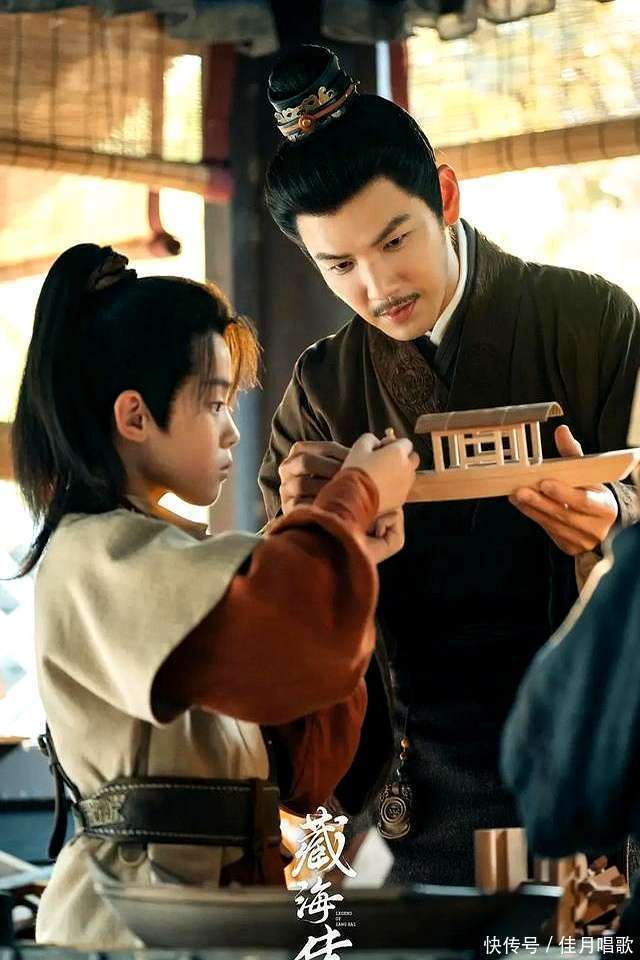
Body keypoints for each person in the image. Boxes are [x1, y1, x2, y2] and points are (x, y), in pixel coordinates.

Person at [258, 44, 640, 886]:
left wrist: (615, 521)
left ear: (447, 195)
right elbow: (282, 637)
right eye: (339, 266)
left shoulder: (590, 321)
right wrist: (309, 537)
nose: (378, 286)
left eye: (395, 240)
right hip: (410, 794)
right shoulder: (322, 390)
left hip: (589, 770)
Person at [11, 243, 419, 948]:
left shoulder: (163, 556)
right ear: (135, 416)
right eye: (214, 402)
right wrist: (351, 501)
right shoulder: (92, 554)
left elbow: (306, 760)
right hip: (135, 926)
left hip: (212, 915)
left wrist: (347, 550)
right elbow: (286, 628)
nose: (231, 427)